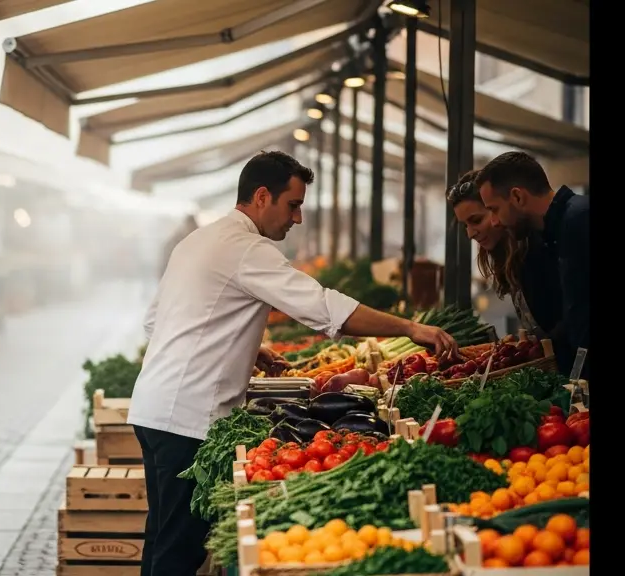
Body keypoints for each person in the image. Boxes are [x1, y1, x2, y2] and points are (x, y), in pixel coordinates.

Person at [127, 151, 458, 576]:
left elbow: (157, 321)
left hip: (153, 410)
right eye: (293, 205)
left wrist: (248, 346)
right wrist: (410, 328)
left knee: (161, 539)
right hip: (187, 419)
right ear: (262, 197)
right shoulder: (247, 249)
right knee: (179, 552)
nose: (297, 219)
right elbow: (323, 308)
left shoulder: (199, 240)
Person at [474, 152, 589, 376]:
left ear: (517, 197)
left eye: (494, 210)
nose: (495, 222)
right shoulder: (558, 231)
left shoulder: (579, 221)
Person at [447, 171, 570, 371]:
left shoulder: (540, 250)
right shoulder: (510, 257)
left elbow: (571, 318)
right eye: (465, 226)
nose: (470, 233)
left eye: (476, 220)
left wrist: (534, 352)